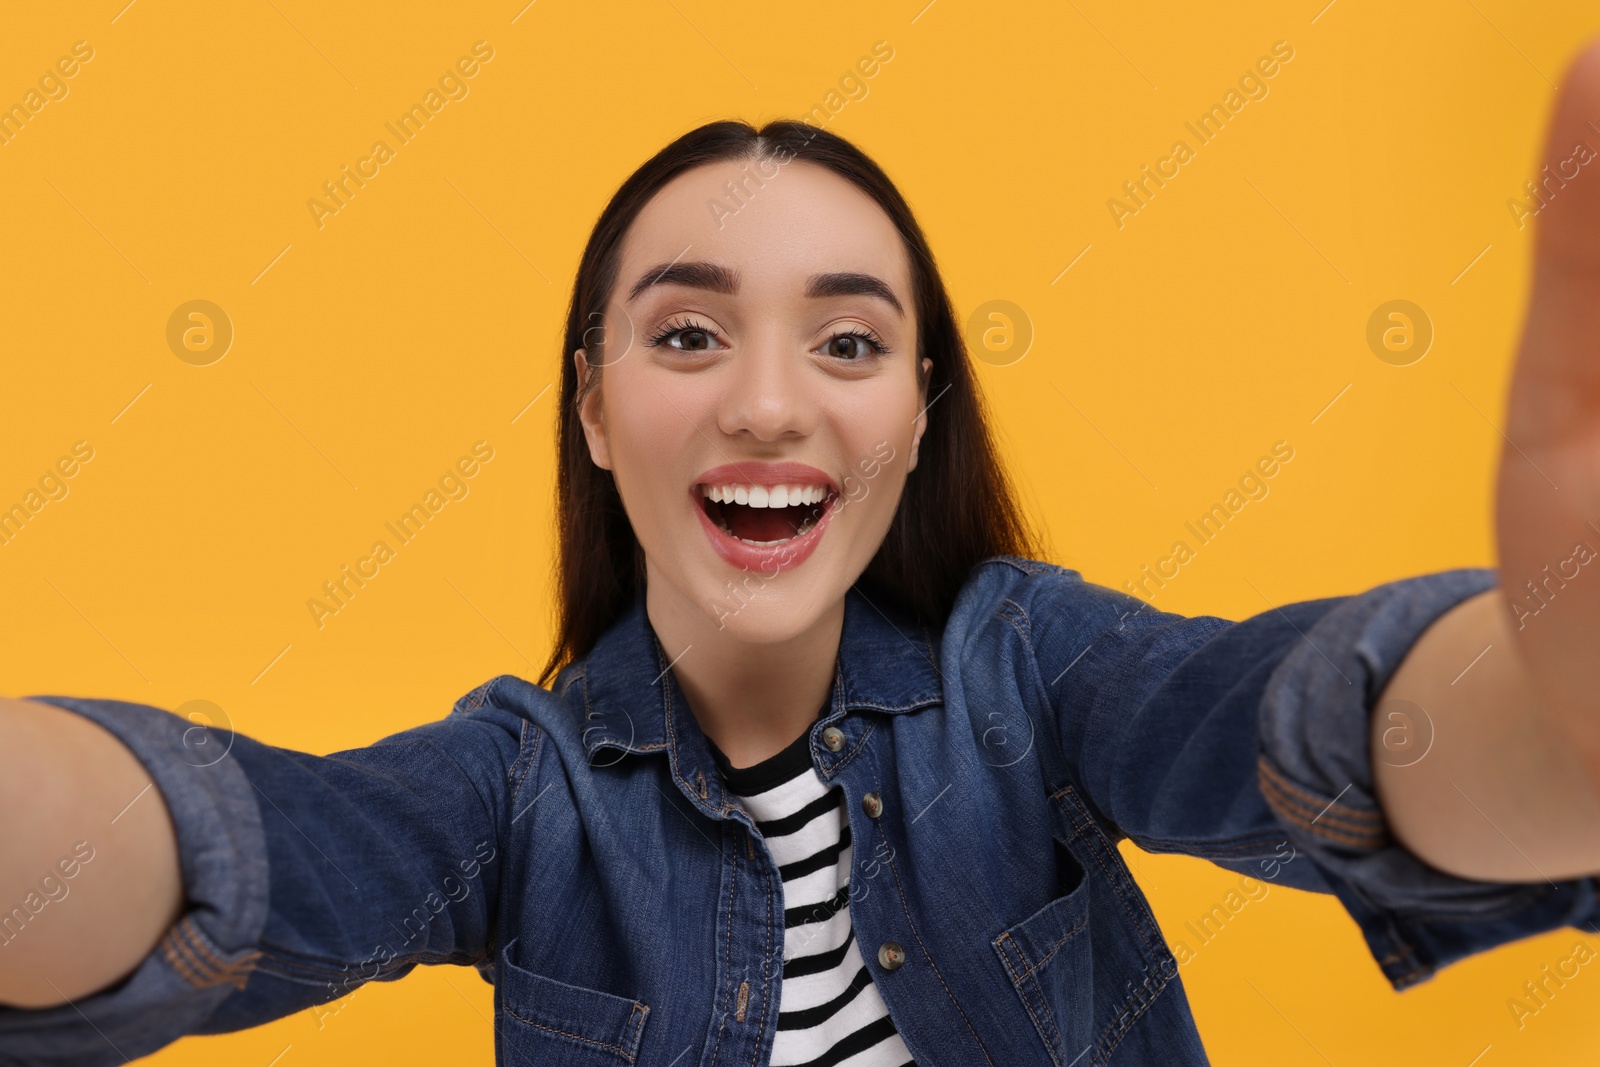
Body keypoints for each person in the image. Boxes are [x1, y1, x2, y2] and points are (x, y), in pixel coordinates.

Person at [7, 41, 1600, 1065]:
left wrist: (1559, 704)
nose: (769, 402)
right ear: (595, 412)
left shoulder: (1033, 678)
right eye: (689, 332)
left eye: (849, 343)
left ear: (915, 418)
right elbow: (235, 853)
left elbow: (1295, 733)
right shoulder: (516, 796)